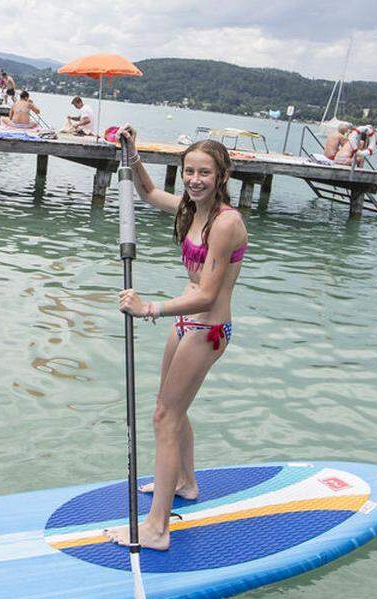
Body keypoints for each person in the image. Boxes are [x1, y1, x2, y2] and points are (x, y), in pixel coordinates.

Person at [103, 125, 249, 551]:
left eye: (204, 172)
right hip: (187, 323)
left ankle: (157, 528)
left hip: (208, 329)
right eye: (189, 171)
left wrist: (149, 307)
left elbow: (206, 293)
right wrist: (132, 152)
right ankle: (186, 481)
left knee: (165, 417)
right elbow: (148, 193)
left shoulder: (226, 223)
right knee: (168, 409)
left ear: (222, 175)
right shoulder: (190, 210)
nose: (194, 179)